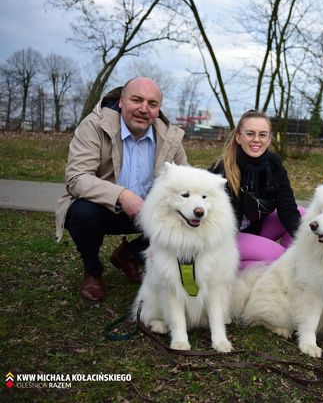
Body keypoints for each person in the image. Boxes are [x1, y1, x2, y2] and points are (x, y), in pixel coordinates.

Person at [55, 77, 188, 302]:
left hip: (148, 213)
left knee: (186, 217)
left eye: (152, 104)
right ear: (121, 102)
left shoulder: (170, 137)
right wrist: (122, 196)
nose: (143, 109)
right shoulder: (94, 125)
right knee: (81, 213)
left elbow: (185, 182)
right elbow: (76, 177)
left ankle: (129, 254)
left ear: (158, 110)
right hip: (103, 208)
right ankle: (93, 271)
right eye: (137, 100)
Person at [210, 109, 303, 269]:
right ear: (238, 137)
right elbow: (222, 227)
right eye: (250, 134)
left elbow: (287, 208)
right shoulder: (222, 170)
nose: (256, 140)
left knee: (302, 216)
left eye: (262, 135)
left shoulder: (274, 164)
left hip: (255, 228)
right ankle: (246, 268)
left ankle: (294, 270)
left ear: (269, 139)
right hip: (226, 238)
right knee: (276, 254)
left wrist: (308, 244)